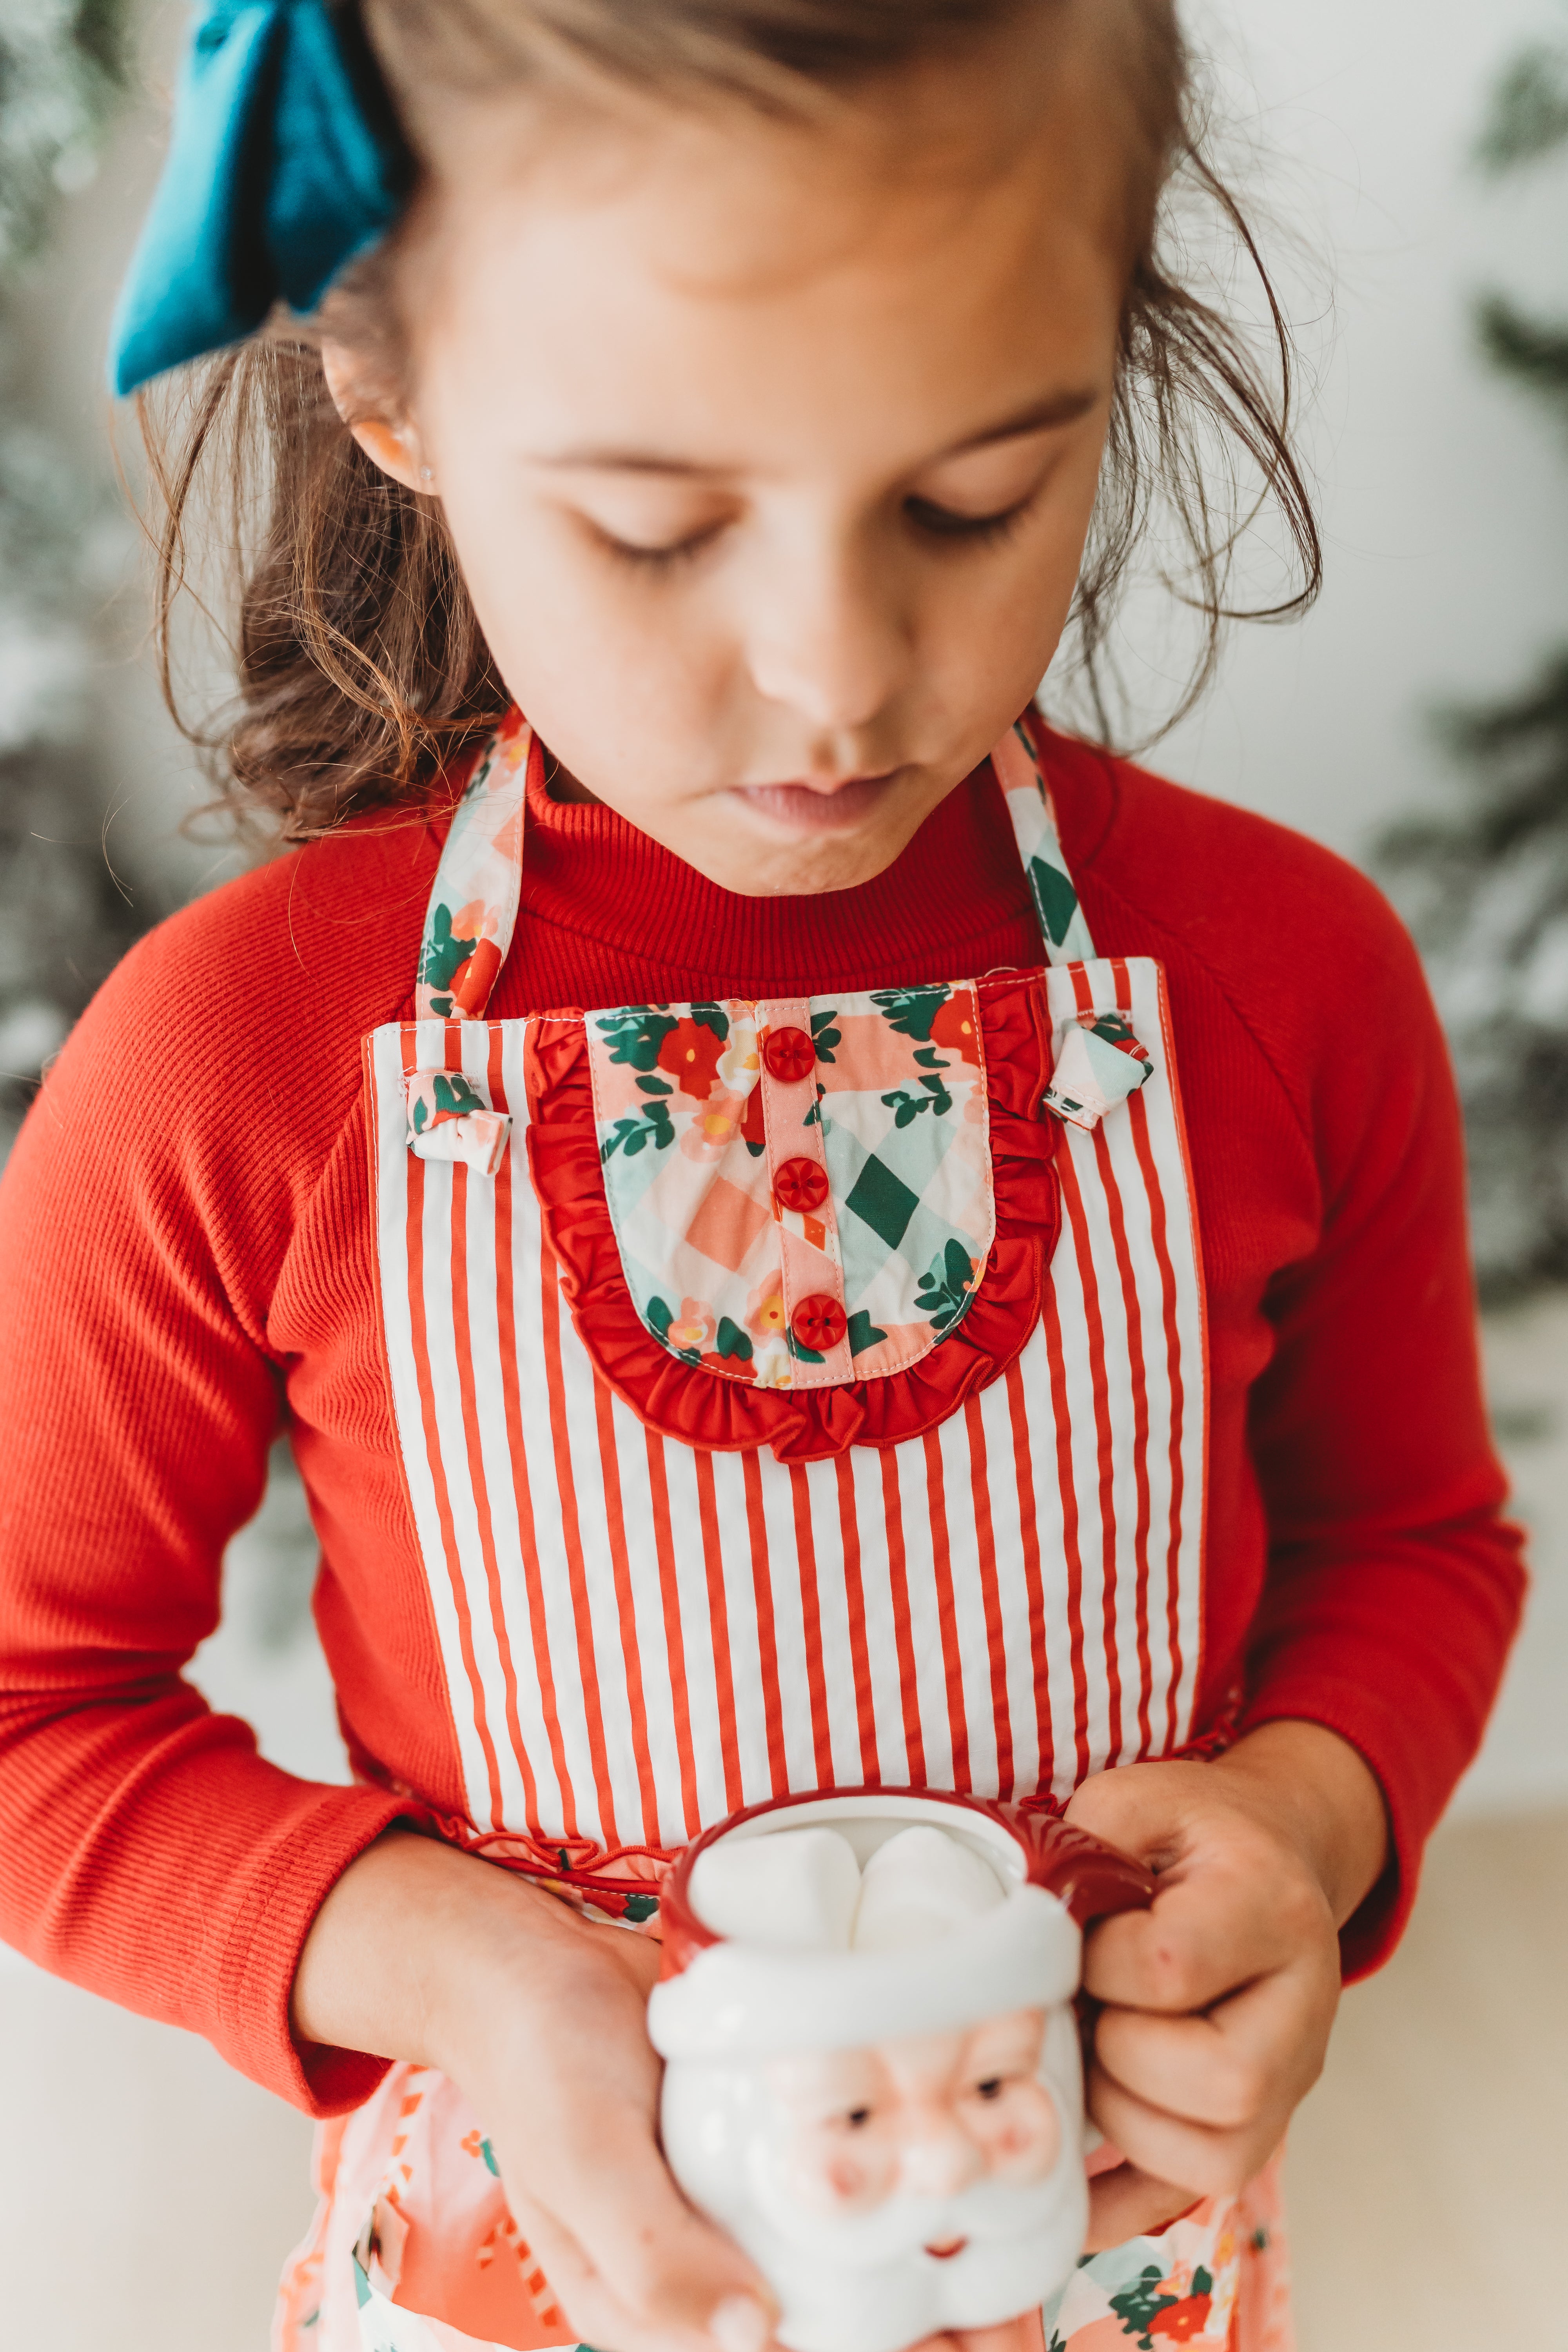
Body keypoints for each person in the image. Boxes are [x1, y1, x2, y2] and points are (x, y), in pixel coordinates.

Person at [0, 1, 1524, 2348]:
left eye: (972, 498)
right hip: (537, 2282)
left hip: (1112, 2267)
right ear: (385, 386)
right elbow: (28, 1705)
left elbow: (1414, 1541)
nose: (830, 678)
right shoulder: (240, 1064)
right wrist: (460, 1964)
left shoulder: (1275, 979)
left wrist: (1317, 1823)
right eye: (656, 523)